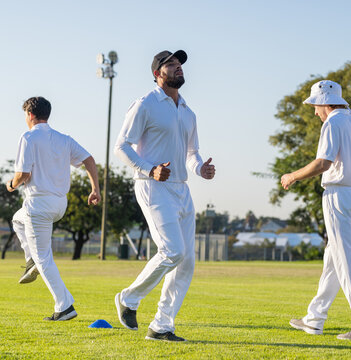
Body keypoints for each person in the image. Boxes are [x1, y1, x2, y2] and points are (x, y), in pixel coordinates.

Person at [114, 50, 215, 342]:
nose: (178, 67)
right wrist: (150, 170)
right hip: (152, 185)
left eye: (179, 64)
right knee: (172, 251)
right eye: (170, 64)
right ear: (157, 73)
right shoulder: (145, 104)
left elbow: (191, 153)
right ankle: (128, 299)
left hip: (182, 189)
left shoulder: (188, 111)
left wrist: (200, 169)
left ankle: (161, 326)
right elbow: (121, 146)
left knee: (186, 263)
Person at [282, 80, 351, 341]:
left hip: (338, 194)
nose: (315, 111)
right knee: (333, 259)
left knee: (346, 261)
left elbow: (323, 162)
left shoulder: (333, 123)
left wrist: (293, 176)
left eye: (315, 105)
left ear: (325, 101)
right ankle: (315, 319)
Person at [8, 96, 101, 320]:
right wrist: (95, 189)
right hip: (59, 204)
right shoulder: (63, 139)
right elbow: (89, 160)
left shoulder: (28, 137)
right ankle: (31, 261)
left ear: (30, 114)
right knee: (16, 220)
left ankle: (64, 306)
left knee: (45, 258)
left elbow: (24, 174)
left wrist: (11, 185)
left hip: (38, 203)